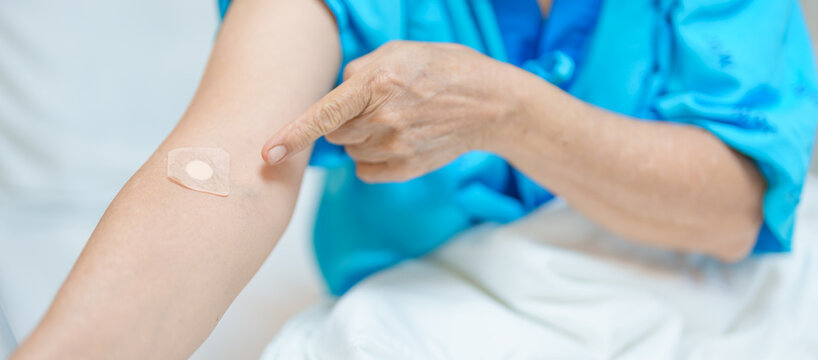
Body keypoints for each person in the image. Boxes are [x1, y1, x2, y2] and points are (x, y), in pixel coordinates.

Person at [11, 0, 817, 358]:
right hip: (442, 309)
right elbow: (222, 174)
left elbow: (738, 209)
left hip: (706, 290)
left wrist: (513, 115)